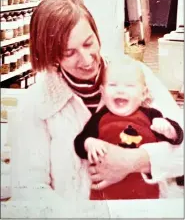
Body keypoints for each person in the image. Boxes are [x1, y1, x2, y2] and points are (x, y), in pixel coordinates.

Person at [9, 0, 183, 203]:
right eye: (69, 52)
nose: (85, 59)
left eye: (89, 43)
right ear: (51, 55)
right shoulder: (35, 105)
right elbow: (29, 189)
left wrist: (135, 161)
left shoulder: (136, 76)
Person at [74, 59, 183, 200]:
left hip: (146, 195)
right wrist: (89, 142)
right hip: (105, 197)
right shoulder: (99, 118)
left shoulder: (151, 115)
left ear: (143, 94)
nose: (120, 90)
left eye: (130, 86)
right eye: (112, 85)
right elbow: (79, 143)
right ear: (102, 92)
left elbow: (176, 140)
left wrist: (170, 130)